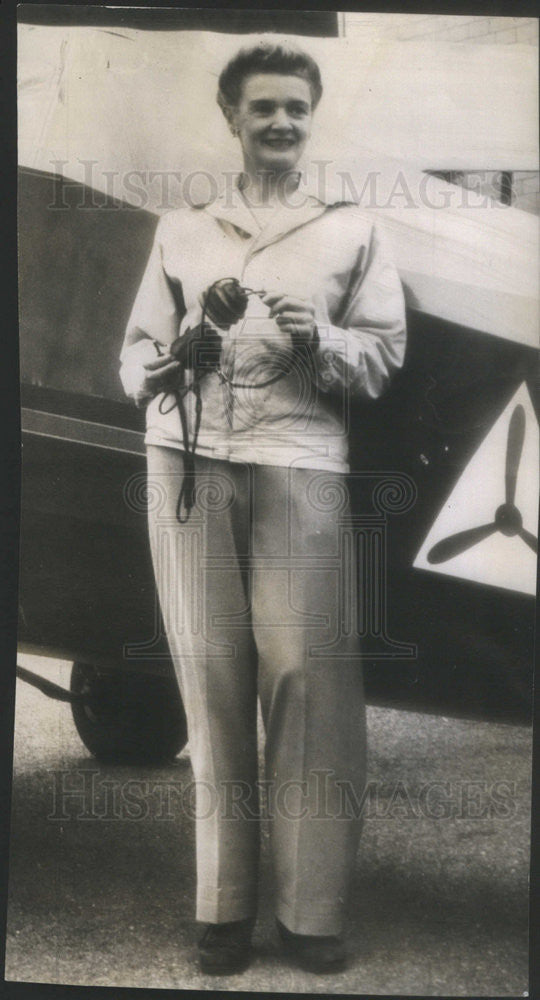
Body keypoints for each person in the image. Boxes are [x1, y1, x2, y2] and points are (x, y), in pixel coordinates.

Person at [120, 40, 406, 976]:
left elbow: (383, 354)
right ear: (232, 117)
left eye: (295, 107)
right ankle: (223, 911)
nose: (280, 122)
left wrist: (319, 334)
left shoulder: (351, 229)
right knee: (209, 677)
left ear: (310, 118)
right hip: (190, 458)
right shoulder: (183, 227)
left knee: (307, 681)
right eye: (262, 108)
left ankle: (311, 914)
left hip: (300, 460)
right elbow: (136, 358)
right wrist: (177, 356)